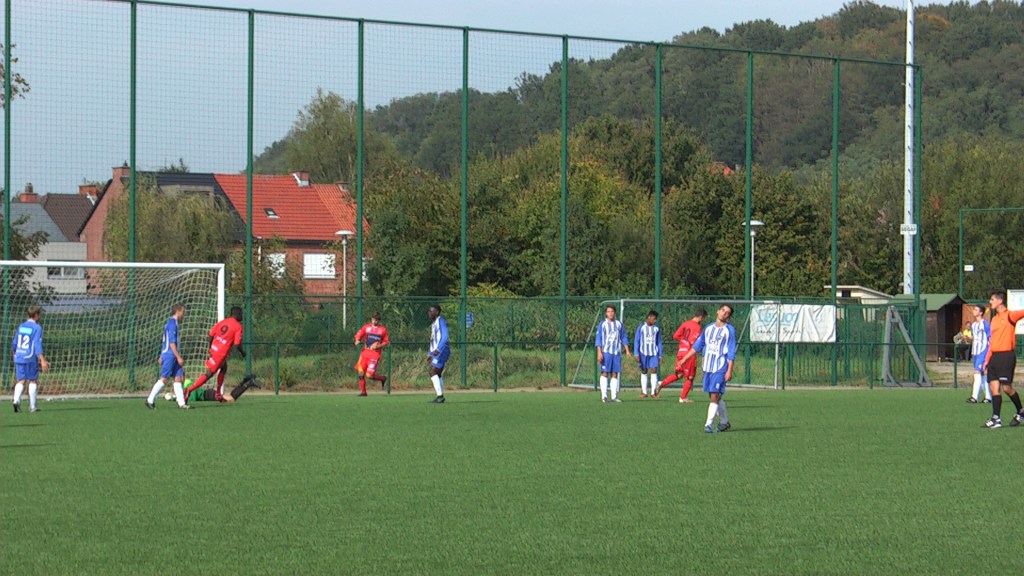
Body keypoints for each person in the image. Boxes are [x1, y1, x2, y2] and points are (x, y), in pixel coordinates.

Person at [678, 304, 736, 433]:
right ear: (717, 311)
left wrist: (729, 370)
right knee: (713, 395)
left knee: (714, 394)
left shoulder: (729, 330)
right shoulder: (708, 328)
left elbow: (731, 351)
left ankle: (708, 425)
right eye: (723, 310)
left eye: (727, 313)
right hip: (708, 367)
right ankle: (725, 422)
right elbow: (698, 345)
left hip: (720, 366)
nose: (724, 313)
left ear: (729, 317)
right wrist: (685, 358)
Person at [184, 306, 246, 404]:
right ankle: (189, 390)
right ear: (237, 314)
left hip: (214, 349)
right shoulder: (238, 326)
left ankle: (218, 393)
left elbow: (210, 335)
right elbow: (237, 344)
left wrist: (210, 348)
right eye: (241, 313)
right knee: (209, 374)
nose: (242, 316)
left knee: (224, 368)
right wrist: (242, 352)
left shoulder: (222, 322)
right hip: (220, 354)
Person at [982, 290, 1024, 429]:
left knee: (1006, 388)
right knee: (994, 387)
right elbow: (992, 342)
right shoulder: (994, 319)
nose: (990, 302)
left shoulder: (1010, 315)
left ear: (1000, 301)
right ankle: (996, 418)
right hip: (994, 357)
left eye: (992, 299)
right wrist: (987, 359)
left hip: (1006, 356)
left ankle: (1021, 411)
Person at [655, 308, 708, 403]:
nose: (703, 320)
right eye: (703, 318)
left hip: (680, 352)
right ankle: (683, 398)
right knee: (690, 376)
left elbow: (675, 336)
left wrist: (683, 342)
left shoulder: (685, 323)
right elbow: (693, 342)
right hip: (689, 353)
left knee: (679, 374)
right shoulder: (697, 327)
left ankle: (662, 383)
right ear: (701, 317)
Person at [146, 304, 188, 410]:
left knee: (178, 378)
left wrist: (161, 355)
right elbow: (171, 343)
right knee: (164, 379)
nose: (184, 314)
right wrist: (178, 357)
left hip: (171, 354)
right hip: (170, 355)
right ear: (178, 311)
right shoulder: (172, 324)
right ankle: (150, 400)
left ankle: (181, 404)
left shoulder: (173, 323)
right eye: (183, 311)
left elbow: (165, 341)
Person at [11, 305, 48, 413]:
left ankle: (16, 400)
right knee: (33, 380)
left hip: (19, 356)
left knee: (21, 380)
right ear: (36, 315)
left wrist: (15, 354)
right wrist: (42, 359)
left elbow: (14, 342)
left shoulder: (21, 326)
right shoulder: (37, 327)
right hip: (30, 357)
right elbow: (37, 344)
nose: (40, 317)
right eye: (39, 315)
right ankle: (32, 406)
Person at [596, 305, 631, 403]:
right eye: (608, 311)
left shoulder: (619, 324)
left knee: (614, 374)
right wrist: (599, 352)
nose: (610, 313)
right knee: (605, 373)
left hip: (616, 353)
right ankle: (604, 396)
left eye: (612, 311)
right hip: (606, 352)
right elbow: (599, 339)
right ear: (606, 313)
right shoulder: (603, 324)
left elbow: (623, 337)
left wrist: (627, 350)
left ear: (615, 313)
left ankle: (614, 397)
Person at [354, 311, 389, 396]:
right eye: (373, 319)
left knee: (369, 375)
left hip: (374, 355)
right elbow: (359, 334)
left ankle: (383, 378)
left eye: (376, 320)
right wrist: (357, 340)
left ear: (379, 320)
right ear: (371, 319)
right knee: (360, 372)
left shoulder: (383, 330)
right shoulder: (366, 327)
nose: (374, 321)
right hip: (364, 353)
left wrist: (378, 346)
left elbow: (386, 342)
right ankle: (363, 392)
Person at [633, 310, 662, 398]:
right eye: (654, 318)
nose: (655, 320)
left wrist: (660, 355)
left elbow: (659, 342)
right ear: (649, 317)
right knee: (644, 370)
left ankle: (653, 393)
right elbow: (637, 341)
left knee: (654, 370)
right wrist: (636, 353)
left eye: (656, 319)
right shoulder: (641, 327)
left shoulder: (656, 329)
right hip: (643, 353)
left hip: (653, 353)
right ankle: (644, 392)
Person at [173, 375, 261, 404]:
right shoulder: (184, 385)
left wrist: (177, 399)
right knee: (230, 398)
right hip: (208, 394)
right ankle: (245, 382)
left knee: (231, 399)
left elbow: (193, 398)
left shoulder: (188, 384)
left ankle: (248, 383)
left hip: (208, 394)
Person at [966, 305, 992, 404]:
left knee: (977, 372)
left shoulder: (985, 324)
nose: (974, 311)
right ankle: (988, 397)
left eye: (976, 310)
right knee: (981, 373)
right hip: (975, 352)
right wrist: (968, 338)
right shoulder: (974, 325)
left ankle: (974, 397)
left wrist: (989, 352)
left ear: (981, 313)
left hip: (983, 351)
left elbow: (990, 337)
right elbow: (975, 337)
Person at [427, 304, 449, 403]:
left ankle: (440, 396)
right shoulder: (434, 324)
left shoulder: (441, 321)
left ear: (437, 312)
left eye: (431, 311)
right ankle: (440, 396)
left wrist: (438, 349)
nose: (429, 313)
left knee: (433, 371)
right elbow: (433, 340)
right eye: (429, 311)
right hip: (437, 351)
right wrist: (430, 353)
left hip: (442, 350)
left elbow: (445, 336)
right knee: (437, 373)